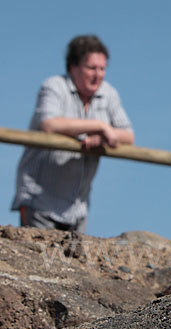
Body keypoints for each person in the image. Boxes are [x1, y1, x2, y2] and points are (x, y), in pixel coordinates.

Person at [11, 34, 134, 232]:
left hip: (77, 208)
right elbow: (49, 124)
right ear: (73, 67)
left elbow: (128, 136)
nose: (98, 74)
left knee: (71, 263)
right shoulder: (54, 87)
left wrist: (101, 137)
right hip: (39, 202)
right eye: (91, 68)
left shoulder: (109, 94)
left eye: (102, 69)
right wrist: (99, 126)